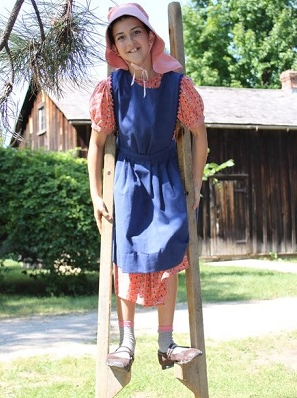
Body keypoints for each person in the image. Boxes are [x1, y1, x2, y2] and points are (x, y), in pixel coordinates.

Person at [87, 2, 208, 372]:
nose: (130, 42)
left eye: (135, 32)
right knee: (127, 258)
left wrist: (197, 184)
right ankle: (126, 344)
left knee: (171, 254)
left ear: (149, 35)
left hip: (167, 176)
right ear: (115, 47)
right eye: (120, 37)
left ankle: (166, 342)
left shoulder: (177, 85)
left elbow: (200, 137)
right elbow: (96, 145)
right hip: (127, 178)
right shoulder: (112, 88)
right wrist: (95, 193)